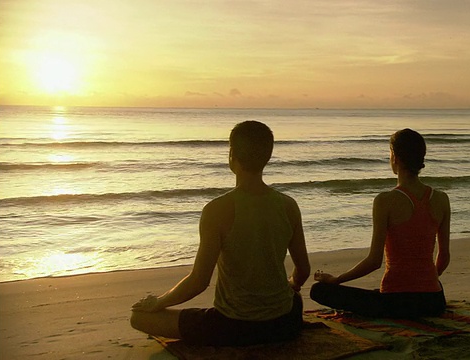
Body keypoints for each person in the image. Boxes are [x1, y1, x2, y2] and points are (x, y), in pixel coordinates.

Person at [131, 120, 311, 346]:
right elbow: (303, 270)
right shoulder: (288, 205)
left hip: (235, 326)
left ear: (231, 155)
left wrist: (159, 302)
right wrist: (291, 285)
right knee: (292, 298)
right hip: (286, 323)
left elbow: (199, 281)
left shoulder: (217, 210)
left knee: (138, 318)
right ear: (268, 156)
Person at [310, 128, 450, 319]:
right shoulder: (441, 199)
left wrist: (337, 279)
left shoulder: (385, 201)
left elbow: (374, 262)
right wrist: (425, 282)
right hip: (433, 302)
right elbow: (443, 257)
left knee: (319, 291)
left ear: (395, 157)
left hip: (395, 303)